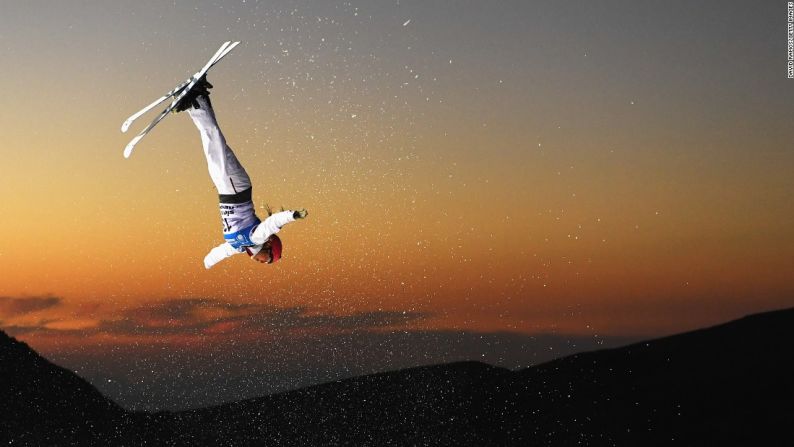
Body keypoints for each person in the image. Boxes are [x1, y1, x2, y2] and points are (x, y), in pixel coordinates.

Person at [175, 77, 308, 269]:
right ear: (269, 246)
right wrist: (292, 216)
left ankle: (197, 101)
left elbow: (217, 254)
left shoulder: (238, 246)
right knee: (214, 148)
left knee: (214, 148)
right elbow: (271, 224)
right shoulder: (256, 237)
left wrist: (206, 264)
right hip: (235, 189)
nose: (262, 262)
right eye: (267, 259)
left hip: (228, 190)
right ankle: (195, 100)